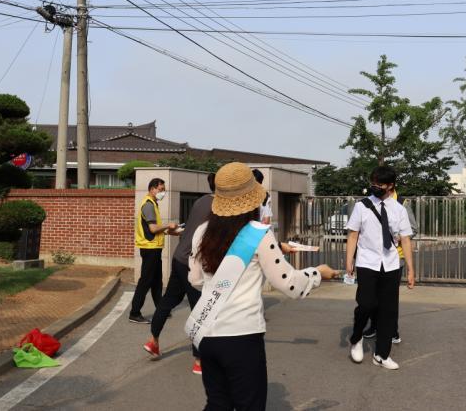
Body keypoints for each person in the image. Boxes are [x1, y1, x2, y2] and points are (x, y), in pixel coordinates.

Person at [188, 162, 336, 410]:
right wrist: (318, 273)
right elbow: (289, 284)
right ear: (252, 198)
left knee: (217, 404)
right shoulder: (259, 234)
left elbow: (195, 280)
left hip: (207, 334)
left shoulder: (202, 231)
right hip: (242, 336)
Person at [142, 173, 216, 375]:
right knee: (199, 309)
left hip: (179, 257)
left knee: (168, 300)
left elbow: (192, 228)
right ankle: (199, 360)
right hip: (193, 262)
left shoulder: (200, 201)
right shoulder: (219, 207)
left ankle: (153, 340)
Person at [345, 166, 415, 370]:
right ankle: (356, 338)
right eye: (373, 183)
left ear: (390, 186)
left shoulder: (399, 209)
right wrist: (348, 261)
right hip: (367, 261)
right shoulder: (362, 206)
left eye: (380, 184)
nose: (375, 187)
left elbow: (405, 240)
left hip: (391, 263)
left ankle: (382, 354)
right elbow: (353, 235)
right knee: (366, 304)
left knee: (388, 311)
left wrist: (411, 269)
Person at [363, 194, 419, 343]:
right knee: (372, 296)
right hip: (373, 257)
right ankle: (374, 326)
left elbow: (413, 229)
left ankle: (392, 330)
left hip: (395, 257)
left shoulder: (402, 203)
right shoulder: (371, 201)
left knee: (390, 297)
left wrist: (395, 236)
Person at [129, 178, 181, 324]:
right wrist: (168, 226)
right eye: (160, 189)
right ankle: (134, 313)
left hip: (154, 248)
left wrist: (170, 232)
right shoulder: (148, 205)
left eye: (164, 190)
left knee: (157, 281)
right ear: (152, 189)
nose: (163, 192)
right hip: (149, 248)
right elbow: (152, 229)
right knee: (145, 281)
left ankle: (161, 309)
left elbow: (154, 229)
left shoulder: (153, 204)